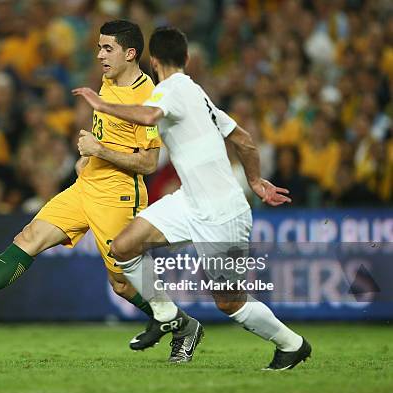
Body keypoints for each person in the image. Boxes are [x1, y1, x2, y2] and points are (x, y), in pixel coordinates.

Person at [0, 20, 202, 363]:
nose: (99, 54)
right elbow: (110, 137)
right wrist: (89, 160)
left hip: (119, 195)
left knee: (121, 283)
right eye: (99, 46)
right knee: (29, 237)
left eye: (108, 48)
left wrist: (100, 152)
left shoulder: (148, 95)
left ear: (130, 53)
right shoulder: (108, 82)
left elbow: (149, 164)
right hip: (86, 185)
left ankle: (183, 326)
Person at [73, 26, 311, 371]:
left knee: (230, 303)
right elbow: (244, 140)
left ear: (153, 61)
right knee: (123, 247)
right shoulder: (196, 93)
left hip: (222, 213)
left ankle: (292, 344)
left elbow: (149, 115)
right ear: (186, 58)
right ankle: (166, 313)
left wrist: (101, 104)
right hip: (190, 202)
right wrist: (256, 180)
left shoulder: (170, 91)